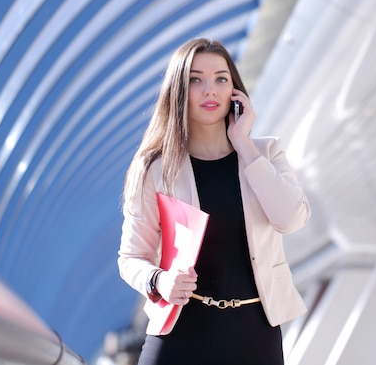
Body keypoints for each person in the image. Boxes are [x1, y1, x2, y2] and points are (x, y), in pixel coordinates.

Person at [118, 38, 311, 364]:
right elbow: (131, 257)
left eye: (221, 78)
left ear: (235, 91)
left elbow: (291, 219)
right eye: (196, 80)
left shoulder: (266, 153)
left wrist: (244, 144)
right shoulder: (156, 169)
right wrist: (159, 280)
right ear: (178, 91)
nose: (210, 89)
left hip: (255, 334)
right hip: (180, 333)